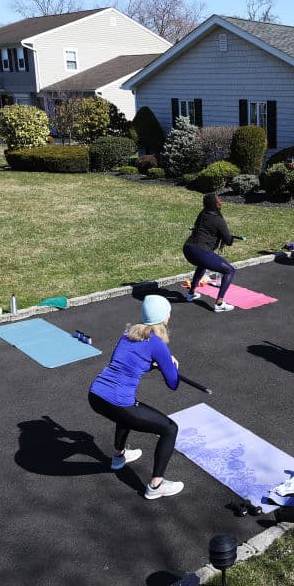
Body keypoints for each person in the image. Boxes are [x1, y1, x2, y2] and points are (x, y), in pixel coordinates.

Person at [88, 295, 185, 500]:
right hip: (117, 401)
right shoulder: (157, 344)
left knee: (125, 413)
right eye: (168, 313)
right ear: (163, 318)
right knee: (170, 429)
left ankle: (119, 457)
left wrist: (152, 364)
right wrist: (171, 365)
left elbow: (126, 363)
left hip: (96, 395)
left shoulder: (128, 334)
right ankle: (156, 486)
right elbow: (173, 384)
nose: (169, 316)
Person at [183, 193, 236, 312]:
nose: (221, 202)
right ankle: (219, 303)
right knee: (230, 271)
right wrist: (230, 238)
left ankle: (191, 293)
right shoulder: (218, 220)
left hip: (188, 249)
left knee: (202, 265)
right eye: (218, 201)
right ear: (214, 204)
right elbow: (228, 241)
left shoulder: (202, 214)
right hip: (201, 252)